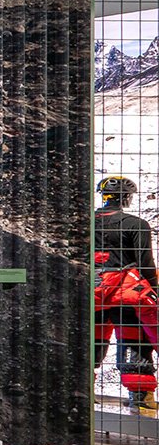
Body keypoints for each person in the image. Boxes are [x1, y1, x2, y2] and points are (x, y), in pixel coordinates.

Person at [94, 173, 159, 410]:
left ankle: (81, 394)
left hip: (91, 293)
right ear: (127, 198)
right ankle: (141, 399)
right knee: (134, 342)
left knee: (91, 342)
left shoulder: (85, 223)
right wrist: (155, 289)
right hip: (125, 294)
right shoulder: (136, 224)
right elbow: (145, 263)